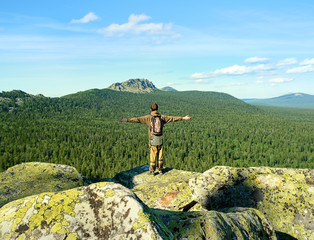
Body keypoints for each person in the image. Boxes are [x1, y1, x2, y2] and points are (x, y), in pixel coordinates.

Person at [120, 103, 191, 175]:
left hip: (152, 138)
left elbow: (137, 119)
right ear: (157, 109)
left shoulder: (148, 118)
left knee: (153, 153)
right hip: (159, 137)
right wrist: (183, 118)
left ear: (151, 109)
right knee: (160, 153)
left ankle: (152, 170)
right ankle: (160, 169)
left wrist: (126, 120)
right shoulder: (162, 117)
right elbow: (172, 118)